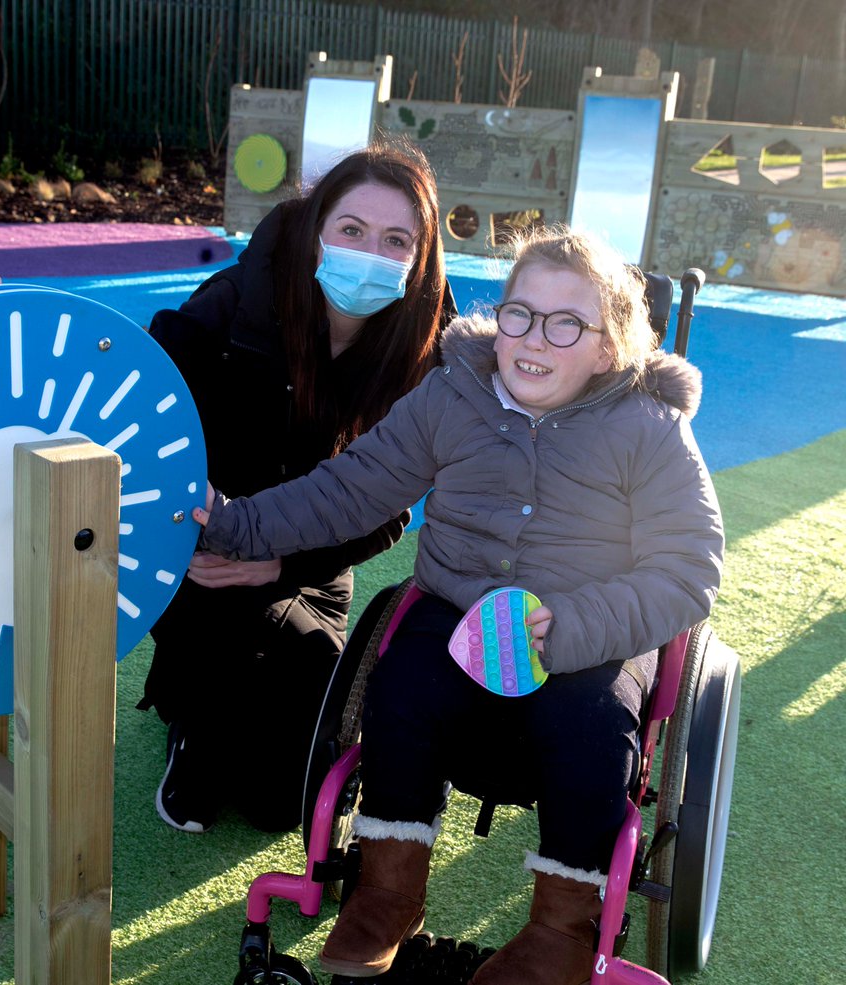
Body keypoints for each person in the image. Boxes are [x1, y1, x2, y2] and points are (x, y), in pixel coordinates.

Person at [193, 225, 724, 984]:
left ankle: (562, 930)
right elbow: (351, 488)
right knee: (402, 684)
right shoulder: (455, 393)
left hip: (592, 626)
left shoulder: (648, 426)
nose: (534, 338)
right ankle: (386, 890)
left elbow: (689, 569)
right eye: (520, 313)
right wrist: (239, 524)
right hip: (458, 607)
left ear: (608, 347)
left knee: (589, 724)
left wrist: (571, 629)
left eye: (566, 322)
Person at [140, 143, 458, 836]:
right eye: (351, 230)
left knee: (281, 803)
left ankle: (222, 707)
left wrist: (285, 563)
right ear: (316, 230)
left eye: (396, 239)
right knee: (228, 660)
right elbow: (146, 428)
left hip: (311, 565)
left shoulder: (421, 355)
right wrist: (198, 539)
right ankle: (191, 717)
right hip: (205, 556)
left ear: (420, 258)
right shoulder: (235, 305)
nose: (370, 252)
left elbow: (388, 512)